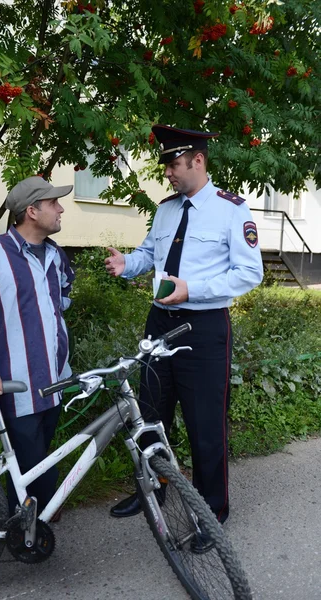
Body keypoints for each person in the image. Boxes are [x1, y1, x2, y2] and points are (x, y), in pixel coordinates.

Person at [105, 124, 263, 527]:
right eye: (167, 167)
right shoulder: (166, 208)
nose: (169, 174)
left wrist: (192, 289)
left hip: (203, 329)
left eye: (174, 164)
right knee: (151, 412)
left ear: (198, 159)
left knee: (204, 423)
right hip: (159, 322)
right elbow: (147, 253)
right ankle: (153, 485)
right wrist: (128, 264)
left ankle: (211, 512)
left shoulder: (231, 209)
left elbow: (249, 273)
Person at [0, 175, 74, 517]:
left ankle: (31, 524)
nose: (61, 208)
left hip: (54, 380)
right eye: (53, 204)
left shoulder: (56, 255)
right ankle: (23, 526)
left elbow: (61, 300)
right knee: (32, 462)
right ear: (31, 211)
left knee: (39, 458)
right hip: (17, 384)